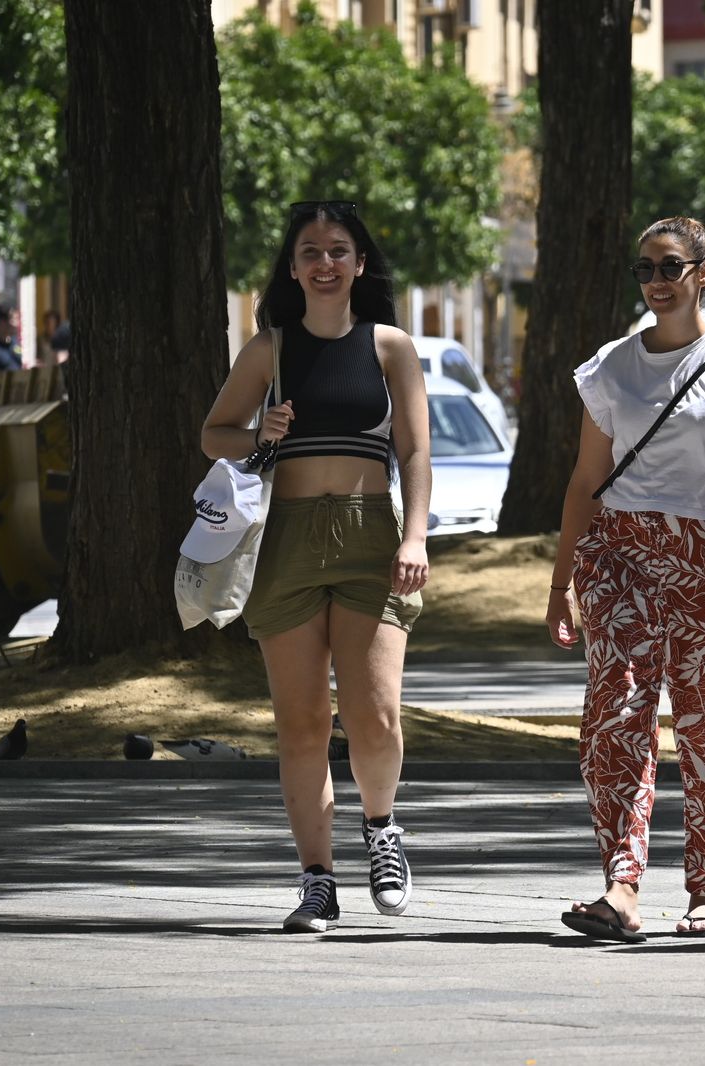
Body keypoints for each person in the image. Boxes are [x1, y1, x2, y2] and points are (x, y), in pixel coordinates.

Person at [200, 200, 430, 934]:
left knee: (375, 715)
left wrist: (415, 536)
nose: (325, 263)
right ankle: (316, 879)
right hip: (287, 542)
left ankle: (383, 828)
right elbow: (213, 435)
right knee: (300, 725)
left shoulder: (390, 346)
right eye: (310, 251)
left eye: (338, 250)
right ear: (292, 267)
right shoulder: (269, 349)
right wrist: (254, 432)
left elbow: (416, 452)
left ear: (360, 263)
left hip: (371, 537)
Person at [547, 216, 705, 942]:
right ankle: (622, 887)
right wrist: (561, 585)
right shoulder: (611, 368)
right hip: (619, 558)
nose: (655, 282)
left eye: (670, 267)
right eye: (644, 268)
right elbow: (586, 481)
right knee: (614, 722)